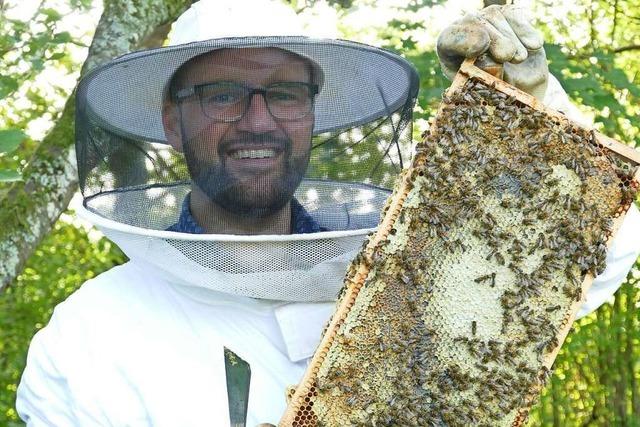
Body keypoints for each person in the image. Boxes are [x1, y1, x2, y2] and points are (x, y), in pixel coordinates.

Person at [16, 1, 640, 426]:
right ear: (171, 124)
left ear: (312, 116)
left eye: (285, 94)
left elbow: (589, 253)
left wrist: (531, 113)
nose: (257, 121)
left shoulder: (408, 272)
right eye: (222, 94)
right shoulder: (85, 338)